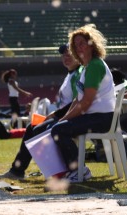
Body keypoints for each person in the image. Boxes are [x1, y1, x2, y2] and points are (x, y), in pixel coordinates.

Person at [0, 44, 81, 181]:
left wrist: (56, 115)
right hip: (63, 117)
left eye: (70, 54)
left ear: (78, 56)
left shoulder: (78, 74)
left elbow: (78, 102)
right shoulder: (70, 74)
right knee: (31, 127)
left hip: (70, 118)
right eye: (64, 55)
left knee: (39, 129)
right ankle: (17, 170)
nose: (66, 57)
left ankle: (58, 171)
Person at [50, 24, 116, 182]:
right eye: (75, 45)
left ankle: (79, 171)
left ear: (91, 45)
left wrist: (65, 120)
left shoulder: (95, 66)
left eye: (82, 43)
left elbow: (85, 103)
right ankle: (67, 170)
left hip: (102, 119)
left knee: (59, 130)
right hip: (95, 117)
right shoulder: (87, 67)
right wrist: (65, 117)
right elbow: (77, 100)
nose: (78, 47)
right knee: (56, 127)